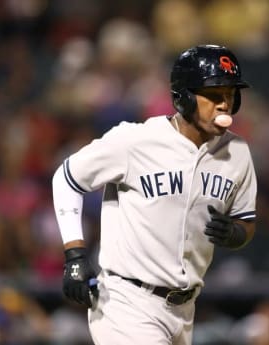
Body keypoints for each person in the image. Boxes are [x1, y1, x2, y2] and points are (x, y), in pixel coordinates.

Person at [51, 44, 257, 345]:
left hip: (185, 309)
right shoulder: (135, 141)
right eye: (213, 95)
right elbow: (67, 178)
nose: (224, 104)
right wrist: (74, 255)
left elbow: (246, 221)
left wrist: (236, 234)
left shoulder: (237, 153)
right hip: (127, 301)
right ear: (183, 96)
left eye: (230, 94)